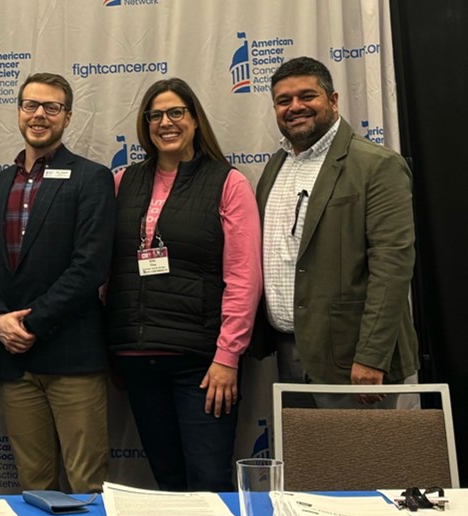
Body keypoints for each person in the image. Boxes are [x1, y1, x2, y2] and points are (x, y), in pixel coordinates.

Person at [106, 77, 262, 492]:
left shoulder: (228, 183)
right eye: (155, 115)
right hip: (137, 358)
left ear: (194, 120)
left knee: (209, 483)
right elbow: (107, 269)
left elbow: (244, 277)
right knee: (168, 485)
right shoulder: (123, 182)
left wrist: (228, 355)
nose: (166, 122)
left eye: (176, 112)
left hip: (202, 363)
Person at [0, 72, 115, 493]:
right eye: (31, 105)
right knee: (33, 486)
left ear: (67, 117)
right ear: (18, 112)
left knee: (87, 484)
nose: (39, 115)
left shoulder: (91, 178)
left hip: (73, 358)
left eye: (51, 107)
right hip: (15, 364)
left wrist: (30, 326)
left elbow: (89, 268)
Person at [254, 56, 418, 406]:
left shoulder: (377, 165)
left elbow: (392, 267)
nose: (295, 107)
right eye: (284, 101)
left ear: (333, 100)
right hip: (288, 353)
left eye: (307, 96)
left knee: (359, 462)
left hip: (353, 360)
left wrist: (372, 355)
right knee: (302, 461)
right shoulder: (275, 168)